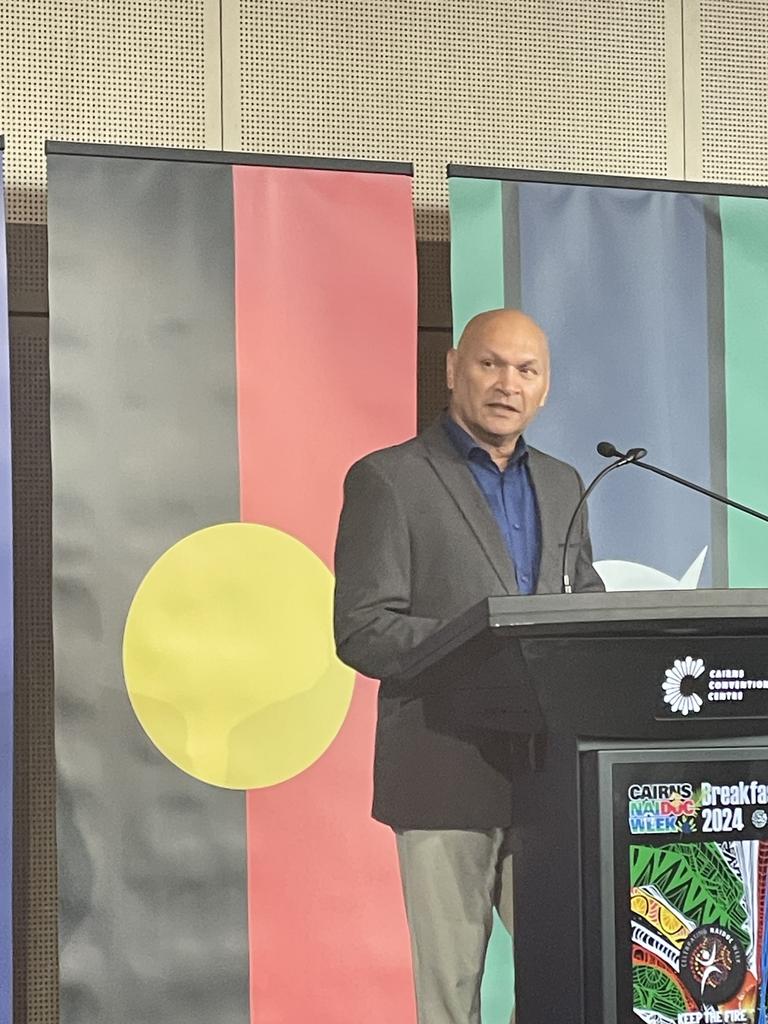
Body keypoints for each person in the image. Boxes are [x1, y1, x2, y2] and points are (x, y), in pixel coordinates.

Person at [333, 308, 604, 1024]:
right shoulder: (389, 480)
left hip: (551, 778)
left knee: (574, 976)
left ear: (544, 389)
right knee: (451, 997)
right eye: (490, 364)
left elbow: (584, 599)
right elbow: (363, 629)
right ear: (453, 369)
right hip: (443, 770)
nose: (506, 384)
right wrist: (478, 643)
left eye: (526, 370)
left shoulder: (565, 481)